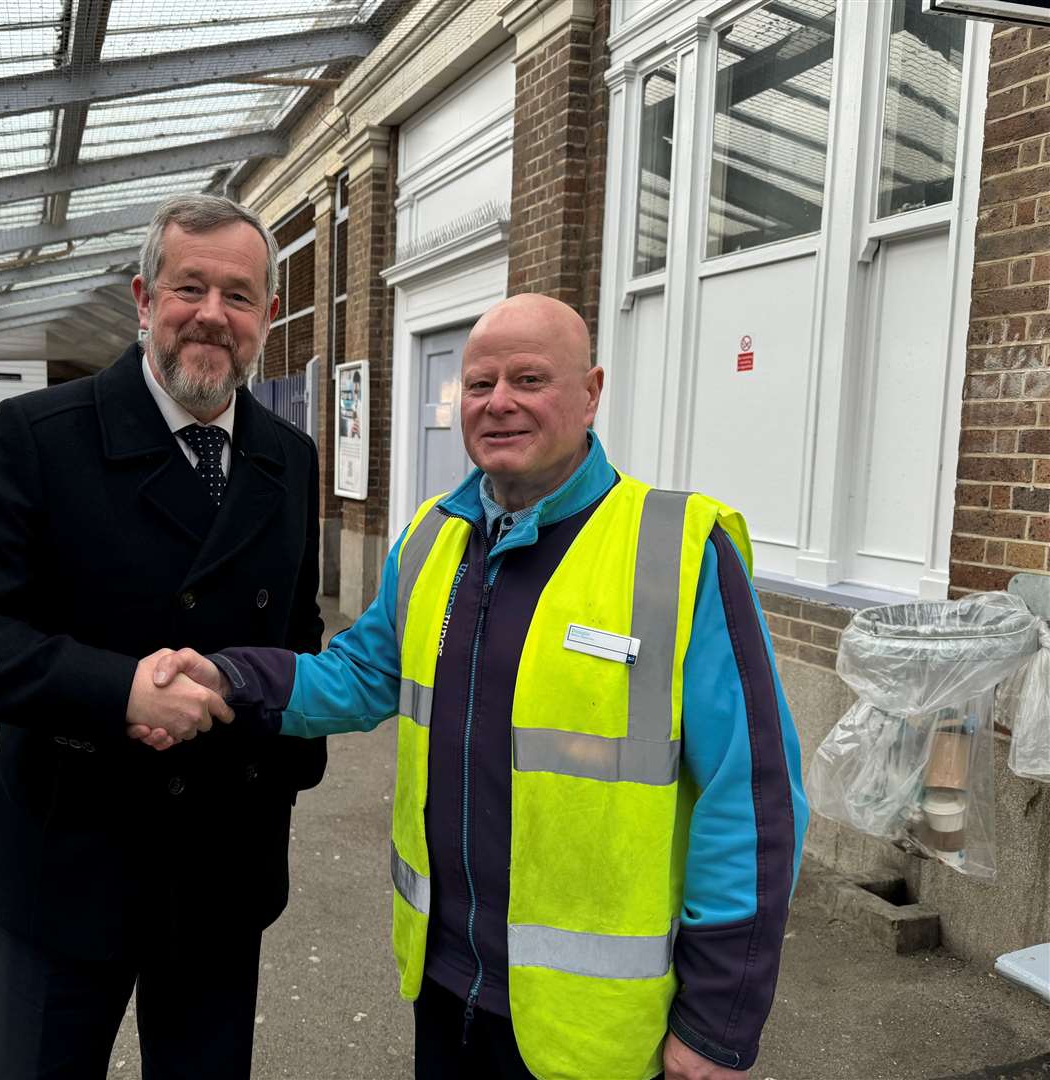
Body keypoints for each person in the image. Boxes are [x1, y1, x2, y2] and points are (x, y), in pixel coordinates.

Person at [143, 294, 808, 1080]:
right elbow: (359, 675)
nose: (499, 403)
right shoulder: (432, 537)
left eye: (529, 379)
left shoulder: (677, 551)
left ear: (591, 392)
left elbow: (755, 794)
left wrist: (718, 1020)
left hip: (598, 1033)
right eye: (480, 382)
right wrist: (228, 675)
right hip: (446, 988)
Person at [0, 194, 327, 1080]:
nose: (212, 314)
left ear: (267, 318)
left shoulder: (291, 458)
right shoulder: (41, 437)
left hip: (222, 866)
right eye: (189, 288)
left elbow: (298, 633)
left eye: (239, 296)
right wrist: (118, 691)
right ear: (143, 298)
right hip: (68, 866)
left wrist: (283, 750)